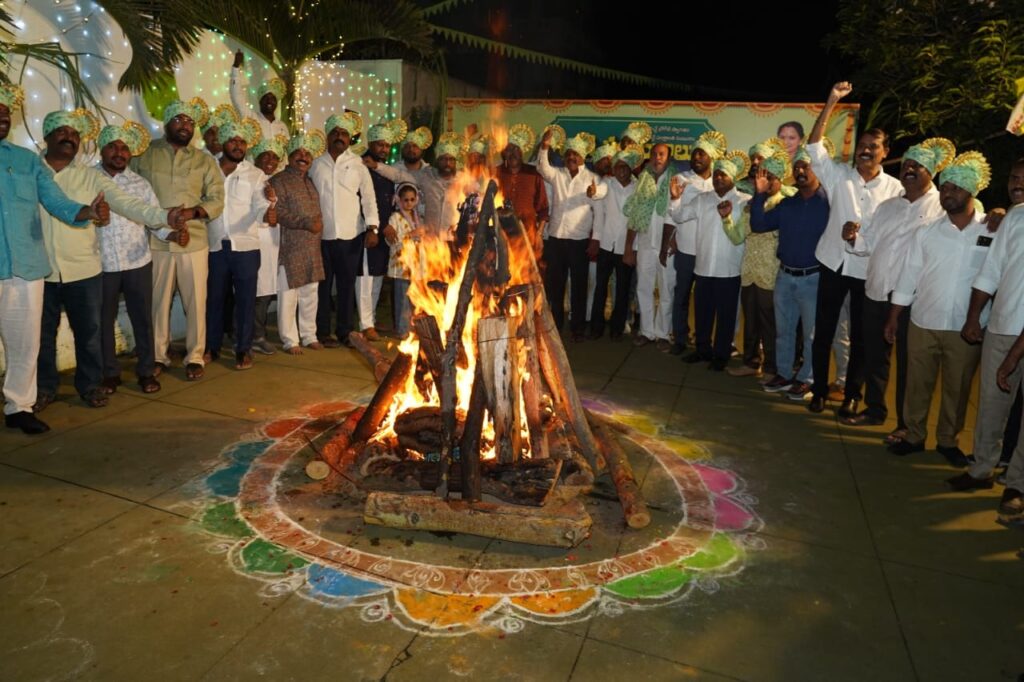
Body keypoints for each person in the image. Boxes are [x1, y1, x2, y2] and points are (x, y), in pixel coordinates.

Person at [37, 110, 181, 410]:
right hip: (42, 269)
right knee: (43, 336)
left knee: (89, 334)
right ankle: (45, 389)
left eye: (75, 134)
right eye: (62, 131)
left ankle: (90, 386)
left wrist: (164, 217)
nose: (69, 137)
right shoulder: (32, 171)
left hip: (84, 269)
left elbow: (128, 204)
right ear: (47, 136)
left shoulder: (90, 177)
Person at [0, 86, 109, 434]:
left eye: (6, 111)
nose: (3, 115)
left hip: (25, 267)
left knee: (25, 343)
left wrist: (87, 211)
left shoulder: (27, 161)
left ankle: (19, 407)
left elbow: (55, 199)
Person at [839, 139, 951, 437]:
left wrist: (996, 213)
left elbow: (972, 219)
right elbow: (869, 243)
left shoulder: (942, 207)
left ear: (932, 172)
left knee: (909, 365)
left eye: (917, 166)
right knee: (875, 357)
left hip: (913, 299)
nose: (909, 169)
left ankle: (905, 424)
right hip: (876, 291)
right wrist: (853, 238)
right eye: (906, 165)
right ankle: (875, 410)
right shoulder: (887, 206)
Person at [884, 151, 993, 458]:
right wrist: (894, 317)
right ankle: (914, 436)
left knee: (958, 389)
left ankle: (948, 441)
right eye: (944, 187)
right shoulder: (927, 231)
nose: (947, 193)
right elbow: (909, 276)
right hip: (924, 320)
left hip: (966, 327)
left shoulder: (991, 230)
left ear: (971, 191)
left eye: (956, 188)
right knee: (917, 384)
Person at [805, 82, 903, 415]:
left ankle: (852, 395)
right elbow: (814, 146)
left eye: (873, 146)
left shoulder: (895, 189)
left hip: (867, 271)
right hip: (832, 263)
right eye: (861, 145)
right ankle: (819, 391)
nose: (865, 151)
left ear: (885, 152)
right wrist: (831, 100)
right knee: (823, 330)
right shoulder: (839, 176)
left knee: (862, 336)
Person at [132, 98, 225, 381]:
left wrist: (192, 212)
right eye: (178, 119)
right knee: (158, 303)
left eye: (189, 121)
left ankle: (195, 355)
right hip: (156, 240)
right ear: (166, 123)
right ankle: (158, 355)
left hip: (193, 241)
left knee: (195, 302)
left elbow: (217, 198)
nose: (185, 125)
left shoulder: (204, 160)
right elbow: (130, 193)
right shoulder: (145, 154)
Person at [96, 121, 186, 396]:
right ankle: (109, 373)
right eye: (113, 147)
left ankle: (146, 371)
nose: (119, 152)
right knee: (103, 321)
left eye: (124, 148)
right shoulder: (89, 180)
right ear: (102, 150)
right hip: (101, 264)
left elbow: (153, 219)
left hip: (137, 262)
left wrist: (171, 234)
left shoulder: (140, 183)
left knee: (143, 319)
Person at [953, 159, 1024, 490]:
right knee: (991, 405)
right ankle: (981, 469)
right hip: (1001, 326)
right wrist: (973, 317)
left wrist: (1014, 356)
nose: (1017, 183)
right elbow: (992, 269)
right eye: (1014, 177)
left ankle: (1017, 485)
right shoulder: (1015, 216)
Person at [751, 146, 830, 398]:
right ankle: (784, 374)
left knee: (810, 334)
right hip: (784, 277)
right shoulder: (788, 204)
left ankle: (807, 378)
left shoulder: (829, 203)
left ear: (817, 169)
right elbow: (758, 224)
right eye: (797, 167)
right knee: (783, 331)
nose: (800, 171)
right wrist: (759, 194)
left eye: (806, 166)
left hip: (813, 279)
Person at [204, 118, 276, 370]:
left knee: (245, 301)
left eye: (242, 141)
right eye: (233, 140)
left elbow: (261, 205)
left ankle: (243, 349)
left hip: (246, 247)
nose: (238, 145)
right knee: (214, 299)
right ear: (223, 142)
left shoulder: (255, 174)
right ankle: (211, 346)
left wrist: (268, 212)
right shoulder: (207, 168)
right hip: (214, 245)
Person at [675, 150, 752, 370]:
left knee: (726, 316)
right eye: (716, 173)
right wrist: (675, 198)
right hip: (703, 268)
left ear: (733, 178)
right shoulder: (703, 199)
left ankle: (721, 355)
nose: (718, 177)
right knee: (702, 313)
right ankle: (702, 350)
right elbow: (679, 216)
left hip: (729, 270)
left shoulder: (744, 202)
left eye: (723, 174)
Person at [310, 111, 378, 347]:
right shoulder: (316, 164)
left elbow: (368, 198)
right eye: (335, 132)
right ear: (327, 136)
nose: (339, 136)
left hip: (351, 236)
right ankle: (322, 331)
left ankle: (345, 331)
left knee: (347, 286)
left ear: (350, 138)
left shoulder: (358, 164)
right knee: (322, 286)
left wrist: (373, 228)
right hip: (322, 236)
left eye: (344, 133)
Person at [732, 141, 792, 379]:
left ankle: (771, 367)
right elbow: (741, 234)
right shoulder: (752, 203)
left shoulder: (786, 203)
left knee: (770, 323)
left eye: (770, 178)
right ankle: (750, 362)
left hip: (771, 273)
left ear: (780, 179)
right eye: (762, 177)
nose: (765, 182)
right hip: (749, 271)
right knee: (751, 321)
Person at [665, 131, 725, 355]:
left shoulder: (719, 181)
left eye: (701, 154)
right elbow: (673, 213)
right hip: (686, 249)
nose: (696, 157)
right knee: (681, 296)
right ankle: (680, 338)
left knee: (705, 301)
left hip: (710, 252)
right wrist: (669, 239)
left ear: (711, 157)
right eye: (694, 154)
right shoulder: (681, 179)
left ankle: (703, 342)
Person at [537, 131, 599, 341]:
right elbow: (542, 168)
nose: (571, 157)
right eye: (569, 154)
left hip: (579, 241)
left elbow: (599, 208)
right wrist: (545, 146)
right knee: (555, 286)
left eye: (576, 154)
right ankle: (555, 326)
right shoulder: (558, 174)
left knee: (579, 287)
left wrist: (595, 239)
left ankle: (577, 328)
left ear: (583, 157)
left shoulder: (592, 179)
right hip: (556, 239)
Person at [623, 142, 685, 350]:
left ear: (668, 157)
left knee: (666, 288)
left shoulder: (677, 179)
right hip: (645, 242)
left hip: (667, 244)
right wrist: (629, 247)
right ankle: (647, 331)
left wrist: (675, 238)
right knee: (644, 287)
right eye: (655, 154)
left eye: (662, 154)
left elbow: (680, 211)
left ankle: (663, 333)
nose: (658, 158)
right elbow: (635, 214)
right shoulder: (643, 179)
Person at [271, 131, 327, 354]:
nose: (303, 157)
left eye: (307, 154)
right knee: (288, 295)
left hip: (312, 246)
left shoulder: (310, 181)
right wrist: (305, 223)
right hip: (290, 247)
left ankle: (309, 335)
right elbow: (278, 211)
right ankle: (289, 340)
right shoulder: (279, 181)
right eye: (298, 153)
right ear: (290, 156)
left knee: (310, 293)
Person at [587, 145, 640, 340]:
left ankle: (617, 328)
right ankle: (596, 327)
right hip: (606, 244)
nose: (622, 170)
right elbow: (598, 192)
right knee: (600, 287)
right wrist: (593, 192)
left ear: (631, 168)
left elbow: (638, 220)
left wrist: (633, 249)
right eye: (618, 166)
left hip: (626, 248)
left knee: (623, 290)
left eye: (625, 166)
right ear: (614, 168)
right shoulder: (607, 183)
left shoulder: (638, 188)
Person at [249, 135, 288, 355]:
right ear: (256, 157)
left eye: (275, 157)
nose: (271, 160)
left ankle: (255, 334)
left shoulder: (273, 181)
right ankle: (255, 336)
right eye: (266, 155)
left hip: (272, 243)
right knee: (258, 292)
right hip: (256, 241)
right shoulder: (252, 179)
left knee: (264, 292)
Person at [494, 124, 548, 257]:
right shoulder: (494, 173)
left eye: (516, 150)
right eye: (509, 150)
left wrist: (539, 235)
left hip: (528, 234)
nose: (512, 154)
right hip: (500, 234)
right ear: (504, 153)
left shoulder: (533, 174)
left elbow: (543, 209)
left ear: (522, 152)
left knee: (526, 268)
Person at [230, 51, 290, 142]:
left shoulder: (282, 126)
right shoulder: (252, 118)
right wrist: (235, 68)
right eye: (266, 98)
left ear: (276, 103)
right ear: (260, 101)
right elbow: (237, 97)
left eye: (272, 98)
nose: (269, 101)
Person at [387, 183, 421, 337]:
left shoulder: (417, 217)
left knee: (414, 297)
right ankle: (402, 329)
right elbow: (391, 240)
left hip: (416, 264)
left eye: (412, 200)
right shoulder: (395, 218)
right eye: (405, 200)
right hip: (401, 264)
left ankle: (413, 329)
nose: (409, 203)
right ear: (399, 200)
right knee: (402, 298)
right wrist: (410, 236)